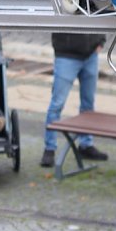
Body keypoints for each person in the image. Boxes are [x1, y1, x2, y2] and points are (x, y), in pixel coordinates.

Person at [40, 33, 109, 167]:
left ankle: (86, 145)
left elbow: (102, 12)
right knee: (57, 104)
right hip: (66, 55)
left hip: (91, 55)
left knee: (88, 105)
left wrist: (100, 41)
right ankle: (49, 149)